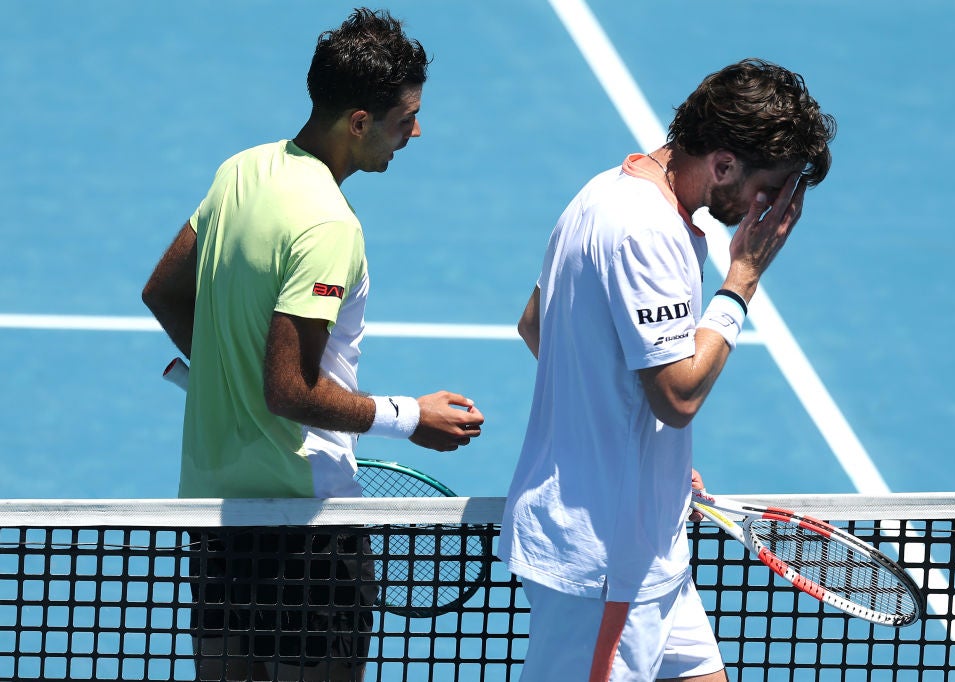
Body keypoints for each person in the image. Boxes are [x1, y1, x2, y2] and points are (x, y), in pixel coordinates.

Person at [141, 8, 485, 681]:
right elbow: (291, 389)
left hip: (218, 516)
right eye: (403, 117)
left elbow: (163, 291)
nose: (415, 130)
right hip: (308, 526)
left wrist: (223, 373)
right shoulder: (329, 224)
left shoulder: (240, 172)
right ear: (359, 122)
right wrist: (410, 418)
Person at [497, 58, 836, 681]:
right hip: (606, 563)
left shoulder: (600, 192)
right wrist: (741, 282)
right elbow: (677, 398)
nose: (775, 209)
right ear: (726, 164)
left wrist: (646, 449)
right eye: (773, 186)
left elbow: (536, 325)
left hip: (650, 543)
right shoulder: (647, 232)